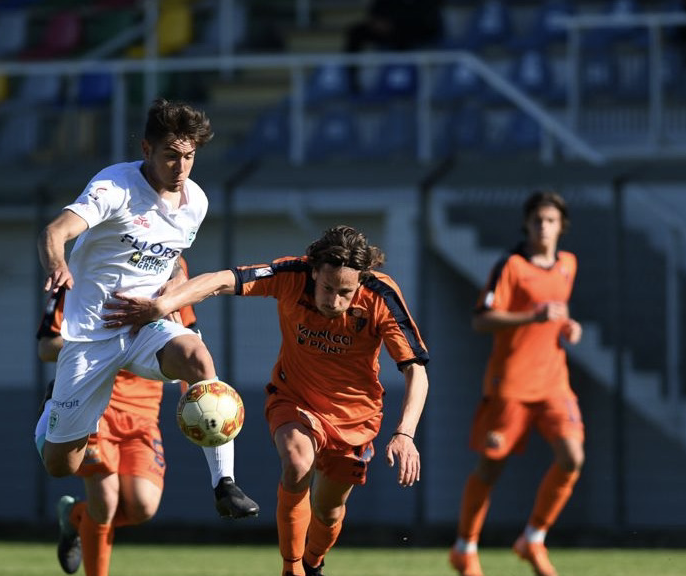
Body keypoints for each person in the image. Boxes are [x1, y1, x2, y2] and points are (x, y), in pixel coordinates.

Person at [101, 224, 431, 576]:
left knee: (329, 510)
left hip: (356, 417)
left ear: (360, 283)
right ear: (314, 270)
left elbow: (416, 371)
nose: (334, 301)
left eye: (345, 293)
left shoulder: (381, 296)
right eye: (327, 288)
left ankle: (313, 562)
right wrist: (163, 305)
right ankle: (291, 568)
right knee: (297, 461)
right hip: (294, 398)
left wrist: (405, 433)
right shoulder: (291, 275)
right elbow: (220, 280)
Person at [35, 98, 227, 479]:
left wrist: (174, 282)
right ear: (146, 148)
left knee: (198, 357)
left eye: (189, 157)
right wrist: (58, 264)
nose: (181, 167)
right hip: (93, 334)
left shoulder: (196, 201)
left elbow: (170, 255)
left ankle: (225, 482)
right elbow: (54, 232)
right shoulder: (114, 186)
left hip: (144, 327)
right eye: (171, 156)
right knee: (61, 466)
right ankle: (51, 416)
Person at [37, 257, 259, 576]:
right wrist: (103, 340)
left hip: (143, 410)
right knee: (106, 500)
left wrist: (196, 398)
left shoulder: (168, 275)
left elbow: (188, 340)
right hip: (98, 401)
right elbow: (46, 347)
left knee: (143, 507)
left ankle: (75, 516)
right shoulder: (86, 272)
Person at [448, 191, 584, 576]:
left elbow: (557, 313)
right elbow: (481, 319)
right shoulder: (510, 266)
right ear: (526, 224)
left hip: (554, 382)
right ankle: (465, 547)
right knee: (491, 467)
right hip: (509, 384)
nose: (544, 227)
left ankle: (533, 539)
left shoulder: (568, 265)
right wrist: (532, 317)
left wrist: (568, 328)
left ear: (562, 226)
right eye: (537, 220)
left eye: (551, 220)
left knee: (572, 458)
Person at [343, 0, 444, 91]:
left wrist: (394, 23)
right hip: (387, 31)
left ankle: (404, 71)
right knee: (356, 32)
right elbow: (375, 12)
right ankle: (352, 76)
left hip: (416, 31)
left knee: (405, 32)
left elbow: (430, 17)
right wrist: (379, 23)